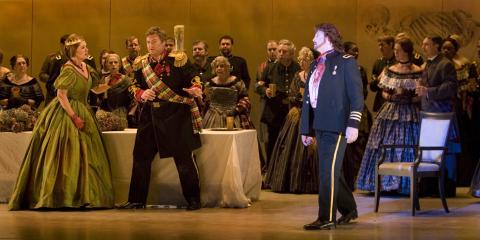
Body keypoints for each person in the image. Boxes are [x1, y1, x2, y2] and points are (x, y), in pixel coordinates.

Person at [8, 34, 114, 210]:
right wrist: (74, 117)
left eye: (86, 47)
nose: (87, 50)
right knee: (65, 151)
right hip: (66, 111)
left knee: (88, 155)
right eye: (83, 47)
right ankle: (61, 196)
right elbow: (61, 94)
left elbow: (94, 89)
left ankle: (87, 195)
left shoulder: (86, 67)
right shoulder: (68, 69)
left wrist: (109, 84)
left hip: (83, 108)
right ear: (73, 50)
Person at [118, 26, 203, 210]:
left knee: (183, 159)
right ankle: (136, 200)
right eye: (147, 42)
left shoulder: (178, 60)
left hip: (176, 116)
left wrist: (195, 89)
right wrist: (141, 93)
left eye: (154, 42)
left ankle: (194, 199)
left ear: (164, 43)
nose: (150, 45)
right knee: (140, 157)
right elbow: (133, 85)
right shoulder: (141, 64)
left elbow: (194, 78)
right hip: (150, 116)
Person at [300, 23, 363, 230]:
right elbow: (309, 99)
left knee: (327, 171)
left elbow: (356, 96)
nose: (312, 39)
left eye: (315, 35)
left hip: (338, 126)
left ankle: (326, 217)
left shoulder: (346, 62)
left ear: (327, 37)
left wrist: (353, 123)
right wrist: (306, 129)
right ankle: (349, 208)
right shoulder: (315, 63)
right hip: (320, 124)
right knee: (330, 169)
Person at [356, 37, 422, 194]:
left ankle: (404, 183)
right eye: (395, 51)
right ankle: (379, 183)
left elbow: (421, 94)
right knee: (381, 143)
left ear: (406, 51)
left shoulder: (418, 71)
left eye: (398, 50)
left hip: (409, 112)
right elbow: (383, 91)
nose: (396, 53)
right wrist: (392, 97)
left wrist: (411, 99)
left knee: (408, 143)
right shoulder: (389, 70)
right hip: (390, 111)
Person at [265, 47, 318, 193]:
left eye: (305, 60)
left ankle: (312, 181)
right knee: (290, 146)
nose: (302, 62)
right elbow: (293, 95)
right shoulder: (297, 76)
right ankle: (291, 180)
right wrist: (298, 98)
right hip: (298, 112)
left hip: (314, 113)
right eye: (300, 60)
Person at [416, 35, 458, 197]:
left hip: (441, 114)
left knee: (443, 152)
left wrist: (428, 92)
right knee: (428, 152)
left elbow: (451, 87)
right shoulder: (428, 63)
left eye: (427, 44)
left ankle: (445, 188)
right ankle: (429, 187)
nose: (423, 47)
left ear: (436, 46)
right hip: (428, 113)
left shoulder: (445, 64)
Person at [256, 39, 301, 167]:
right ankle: (271, 171)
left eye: (284, 51)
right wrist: (265, 90)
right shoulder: (270, 68)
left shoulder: (297, 68)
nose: (280, 53)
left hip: (292, 111)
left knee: (291, 142)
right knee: (273, 142)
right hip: (273, 111)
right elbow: (257, 86)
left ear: (292, 54)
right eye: (279, 51)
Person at [442, 36, 479, 186]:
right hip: (444, 106)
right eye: (444, 48)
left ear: (455, 49)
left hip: (459, 107)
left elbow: (470, 86)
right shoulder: (440, 64)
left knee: (461, 139)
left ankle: (462, 177)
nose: (446, 51)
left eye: (449, 48)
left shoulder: (464, 64)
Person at [342, 41, 373, 191]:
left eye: (357, 50)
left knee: (360, 143)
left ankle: (358, 177)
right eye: (353, 50)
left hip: (358, 110)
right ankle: (347, 177)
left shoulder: (361, 70)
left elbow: (365, 92)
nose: (356, 53)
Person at [39, 34, 97, 105]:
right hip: (62, 102)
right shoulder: (58, 60)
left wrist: (94, 104)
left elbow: (93, 85)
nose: (86, 50)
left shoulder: (88, 61)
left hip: (83, 103)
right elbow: (50, 84)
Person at [202, 56, 253, 129]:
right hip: (212, 117)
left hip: (232, 116)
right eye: (217, 66)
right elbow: (205, 101)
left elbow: (245, 100)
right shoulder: (209, 83)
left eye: (222, 66)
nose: (219, 68)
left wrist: (236, 110)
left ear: (227, 67)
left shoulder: (237, 82)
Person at [94, 53, 136, 127]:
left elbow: (135, 100)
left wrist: (130, 114)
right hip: (105, 116)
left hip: (121, 116)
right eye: (110, 63)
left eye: (115, 62)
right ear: (106, 65)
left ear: (119, 64)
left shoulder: (126, 80)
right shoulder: (103, 80)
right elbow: (99, 99)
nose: (113, 64)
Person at [370, 35, 396, 113]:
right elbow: (372, 88)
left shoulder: (398, 63)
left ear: (391, 45)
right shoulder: (378, 63)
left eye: (382, 45)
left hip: (395, 104)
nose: (380, 48)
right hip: (380, 104)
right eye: (379, 45)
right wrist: (378, 78)